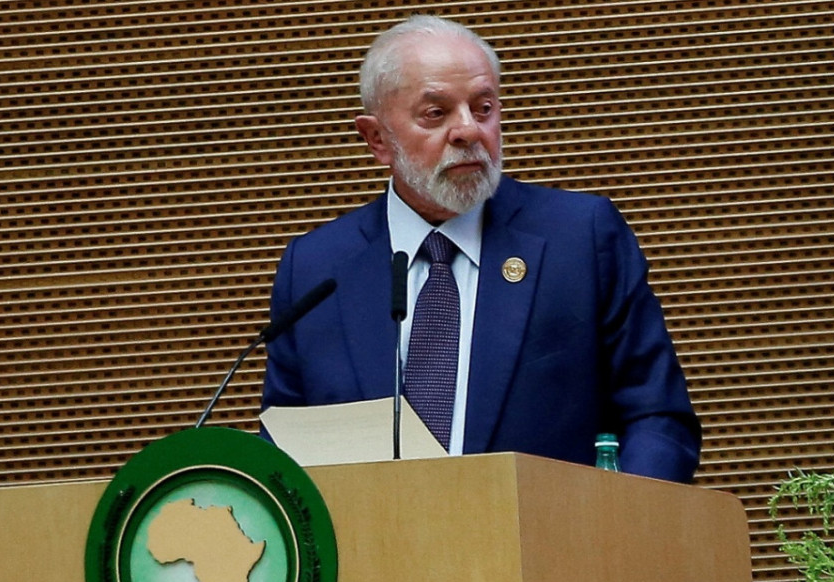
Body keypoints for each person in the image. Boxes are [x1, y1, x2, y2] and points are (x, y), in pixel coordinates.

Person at [260, 14, 701, 483]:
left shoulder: (581, 239)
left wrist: (615, 535)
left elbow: (658, 419)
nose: (468, 130)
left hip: (550, 547)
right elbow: (286, 448)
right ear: (377, 139)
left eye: (483, 107)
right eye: (437, 113)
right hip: (377, 550)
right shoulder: (315, 269)